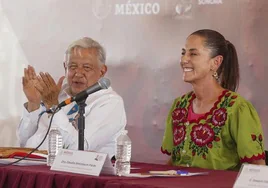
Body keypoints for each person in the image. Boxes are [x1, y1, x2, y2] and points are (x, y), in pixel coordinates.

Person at [161, 29, 266, 170]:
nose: (184, 59)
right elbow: (174, 161)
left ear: (215, 62)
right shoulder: (180, 105)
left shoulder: (236, 108)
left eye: (193, 53)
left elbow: (257, 167)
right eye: (183, 53)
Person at [17, 37, 127, 159]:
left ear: (102, 71)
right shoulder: (58, 95)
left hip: (75, 174)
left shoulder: (110, 103)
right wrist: (34, 103)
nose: (78, 73)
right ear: (65, 67)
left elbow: (77, 149)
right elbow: (24, 143)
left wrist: (53, 105)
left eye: (86, 67)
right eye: (73, 66)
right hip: (32, 166)